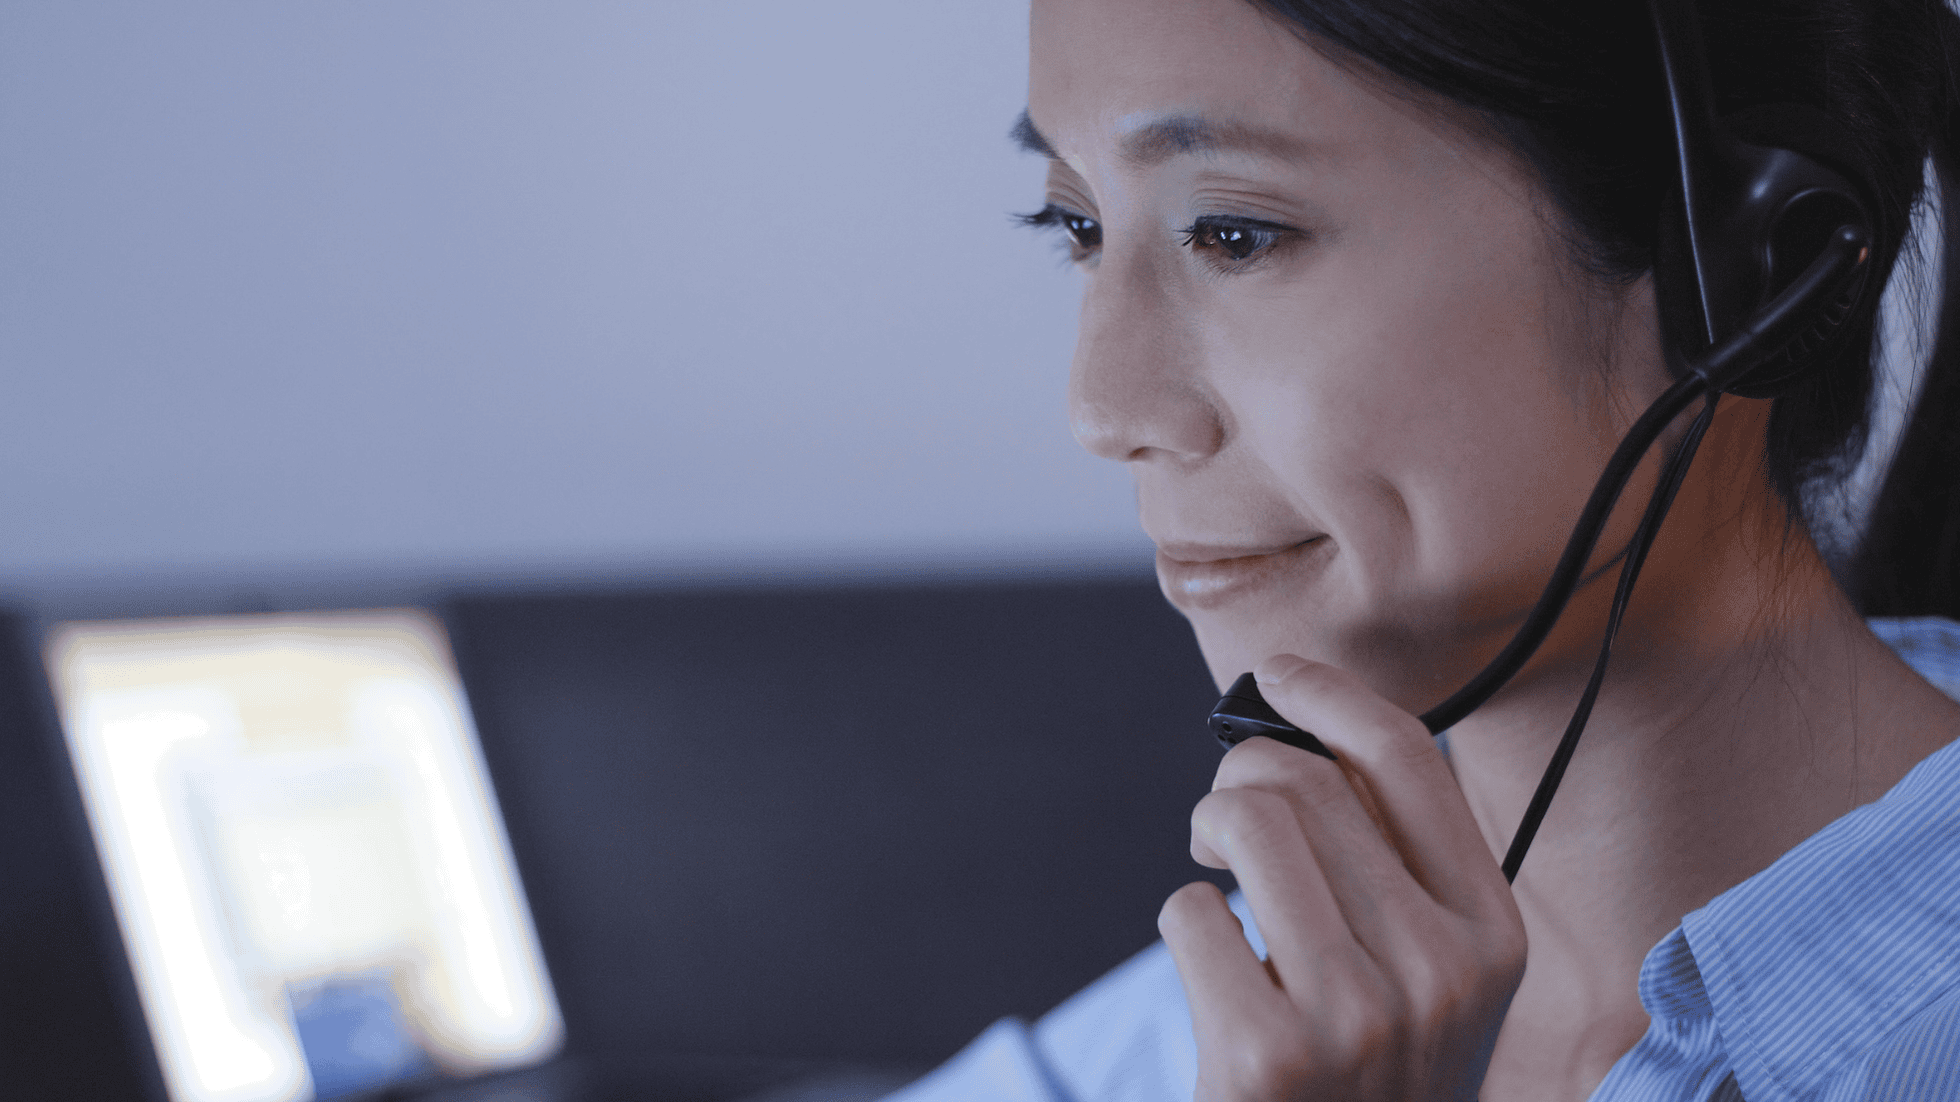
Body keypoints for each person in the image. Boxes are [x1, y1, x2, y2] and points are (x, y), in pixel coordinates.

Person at [883, 0, 1960, 1099]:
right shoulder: (1252, 1013)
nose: (1103, 410)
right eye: (1077, 225)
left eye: (1233, 233)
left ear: (1749, 278)